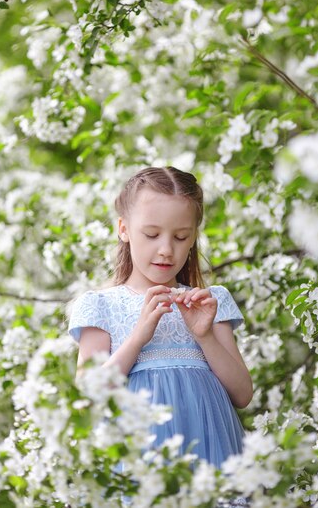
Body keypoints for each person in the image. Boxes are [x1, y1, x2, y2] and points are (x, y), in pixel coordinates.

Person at [68, 166, 253, 468]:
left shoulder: (208, 302)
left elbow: (243, 394)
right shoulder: (100, 305)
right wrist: (139, 335)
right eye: (152, 234)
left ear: (194, 237)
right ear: (124, 229)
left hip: (210, 456)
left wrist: (204, 336)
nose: (166, 249)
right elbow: (88, 397)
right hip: (139, 460)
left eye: (181, 237)